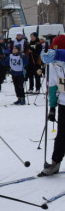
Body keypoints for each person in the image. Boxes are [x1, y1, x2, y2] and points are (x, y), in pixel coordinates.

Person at [39, 40, 65, 175]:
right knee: (61, 135)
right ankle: (55, 162)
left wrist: (58, 54)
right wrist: (52, 107)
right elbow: (54, 86)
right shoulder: (54, 65)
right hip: (63, 103)